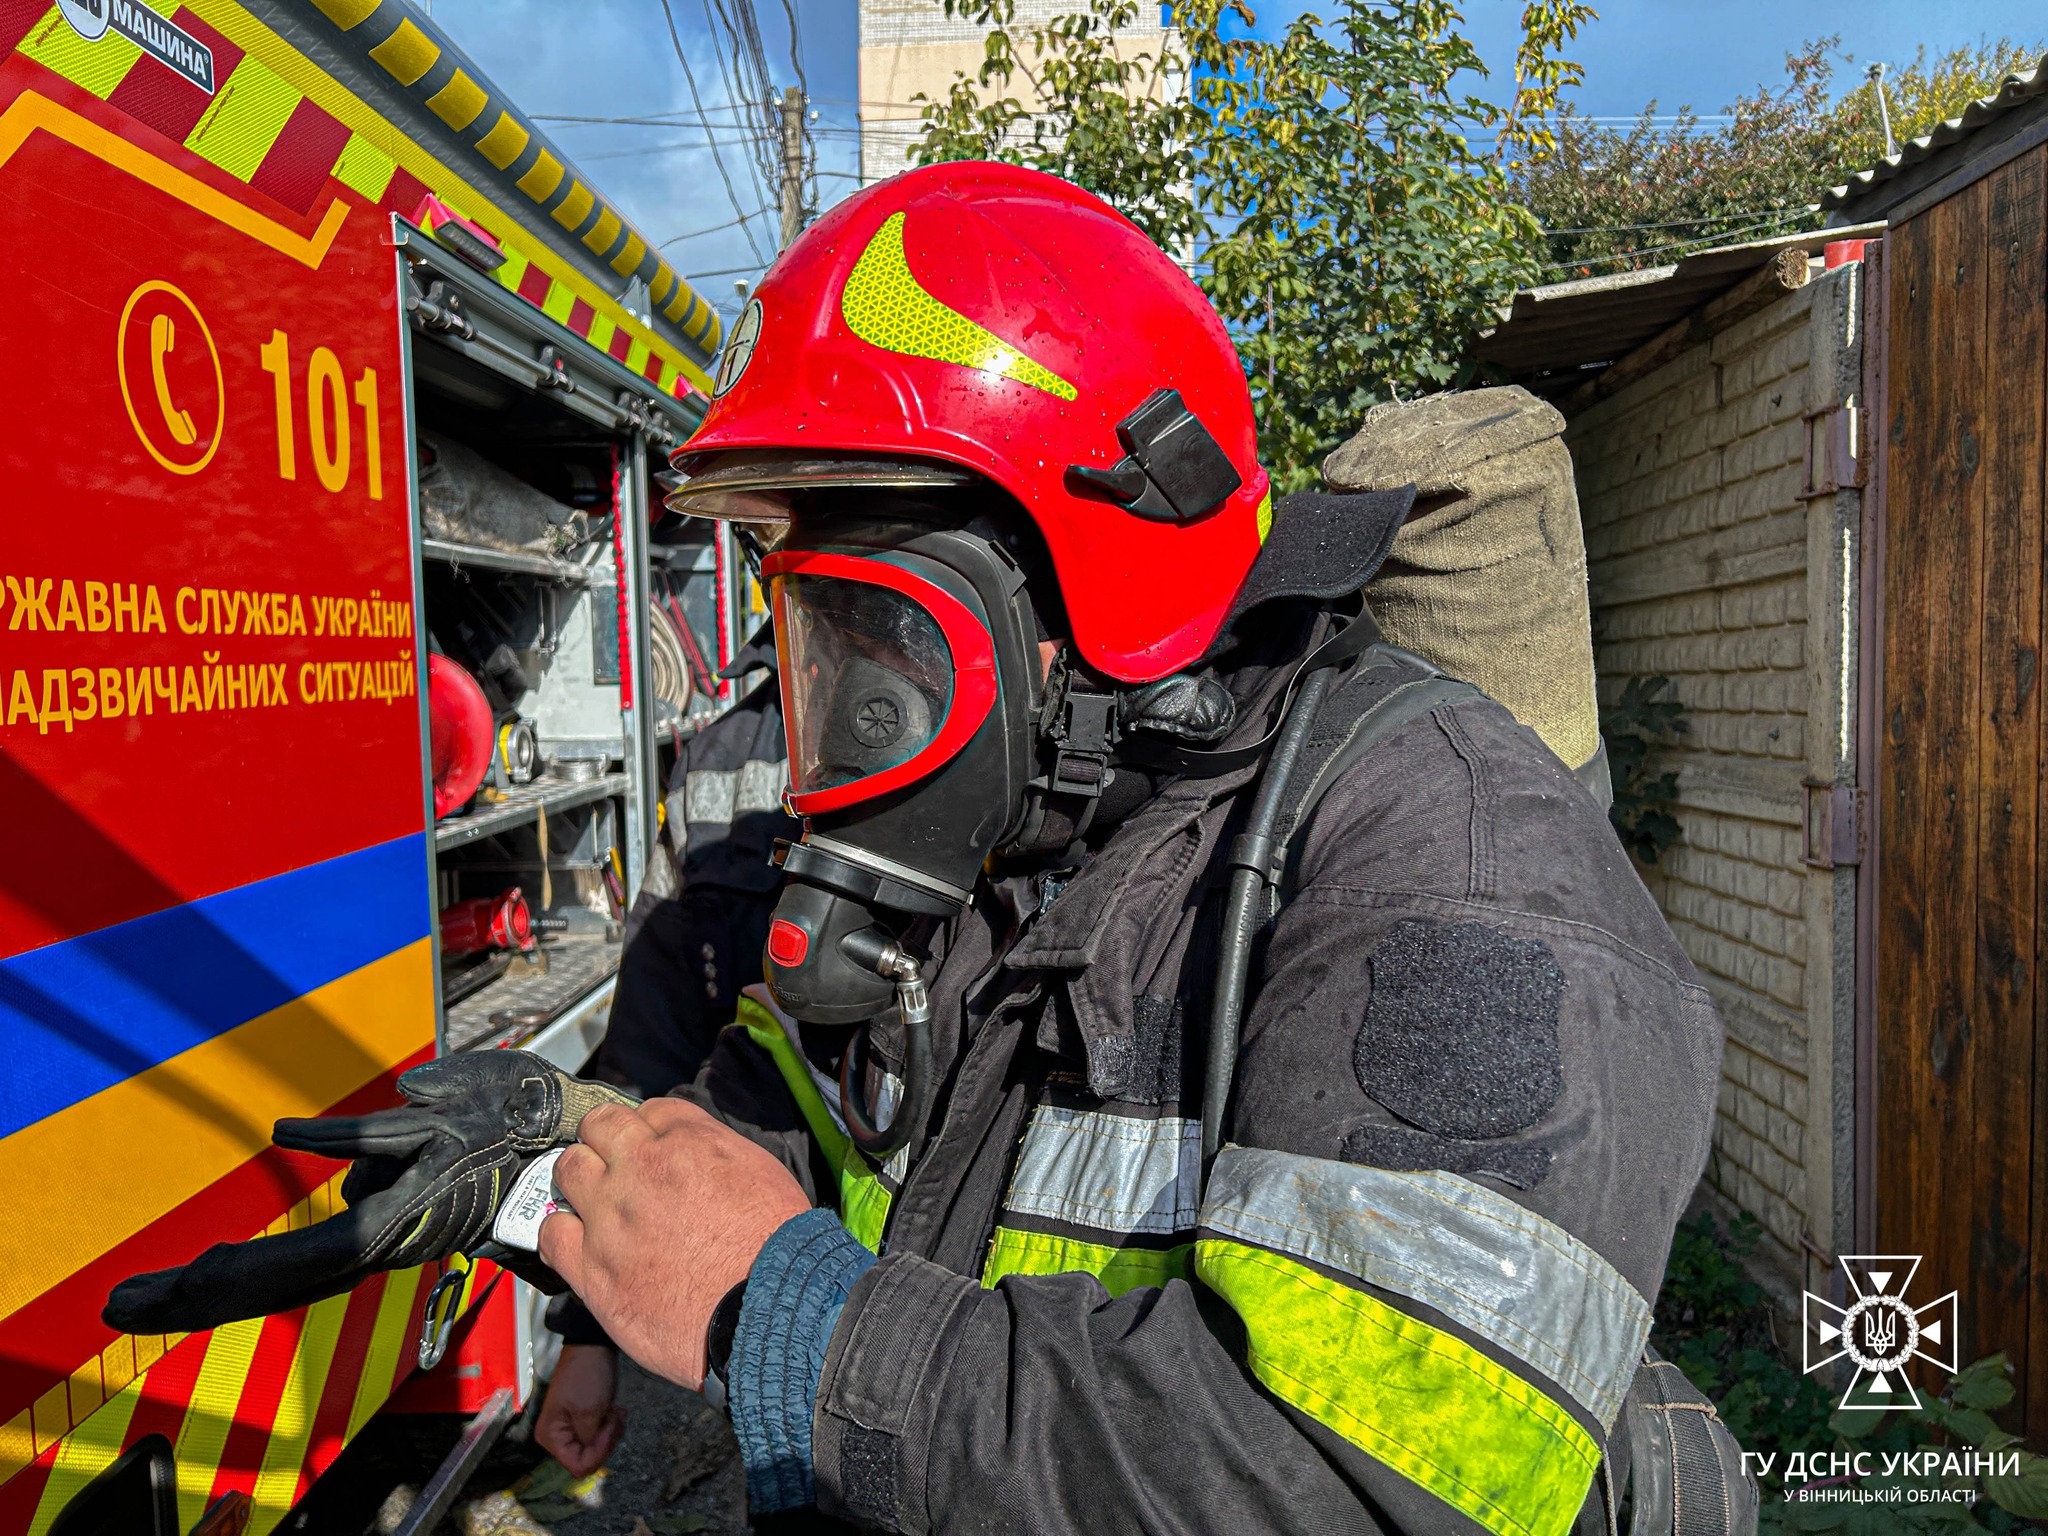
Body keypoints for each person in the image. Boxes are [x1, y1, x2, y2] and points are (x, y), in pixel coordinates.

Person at [110, 163, 1729, 1536]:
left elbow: (1363, 1493)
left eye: (870, 647)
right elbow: (784, 1127)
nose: (831, 733)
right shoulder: (1021, 832)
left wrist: (793, 1325)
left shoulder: (1454, 863)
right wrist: (559, 1161)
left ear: (1072, 593)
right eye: (805, 643)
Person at [536, 625, 798, 1476]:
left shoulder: (1022, 737)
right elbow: (643, 1058)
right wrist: (588, 1329)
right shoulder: (722, 764)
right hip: (770, 1337)